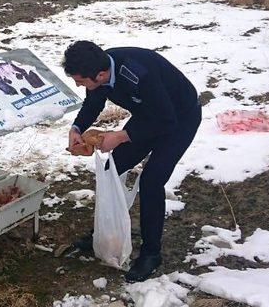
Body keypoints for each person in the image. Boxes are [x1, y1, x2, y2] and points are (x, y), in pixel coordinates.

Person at [63, 40, 201, 282]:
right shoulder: (98, 69)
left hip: (180, 118)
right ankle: (105, 233)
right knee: (112, 169)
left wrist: (120, 136)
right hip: (149, 115)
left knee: (151, 181)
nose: (78, 84)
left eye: (81, 81)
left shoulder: (139, 73)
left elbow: (166, 120)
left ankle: (151, 254)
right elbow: (93, 102)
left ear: (101, 74)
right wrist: (77, 128)